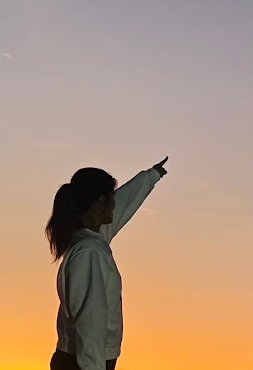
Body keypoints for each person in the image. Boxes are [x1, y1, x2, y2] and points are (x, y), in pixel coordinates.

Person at [45, 157, 169, 370]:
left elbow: (122, 204)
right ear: (101, 202)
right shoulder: (90, 252)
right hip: (84, 363)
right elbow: (90, 322)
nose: (114, 204)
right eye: (111, 198)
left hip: (79, 360)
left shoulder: (87, 238)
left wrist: (151, 176)